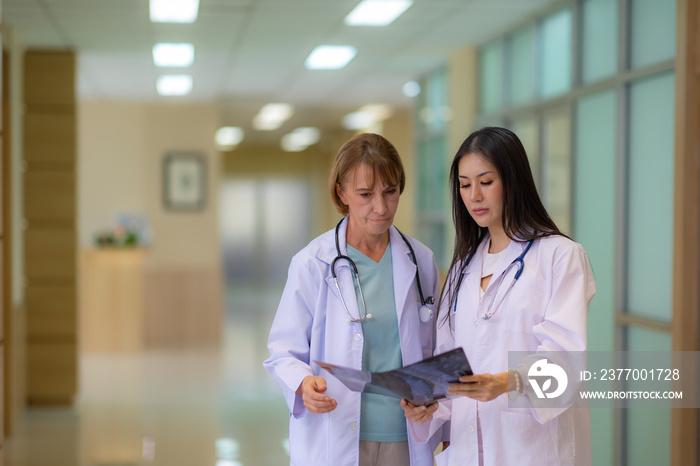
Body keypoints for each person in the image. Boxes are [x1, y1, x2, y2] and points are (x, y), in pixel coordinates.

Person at [401, 127, 595, 465]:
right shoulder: (463, 267)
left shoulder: (559, 256)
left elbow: (566, 361)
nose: (474, 195)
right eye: (464, 184)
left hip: (532, 450)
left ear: (512, 180)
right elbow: (451, 364)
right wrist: (429, 405)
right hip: (467, 449)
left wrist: (505, 382)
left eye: (486, 182)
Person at [264, 133, 442, 466]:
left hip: (406, 436)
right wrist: (303, 384)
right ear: (341, 193)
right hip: (336, 432)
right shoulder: (313, 262)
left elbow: (433, 348)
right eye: (365, 194)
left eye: (391, 192)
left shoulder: (420, 260)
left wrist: (432, 394)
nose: (381, 207)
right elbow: (282, 351)